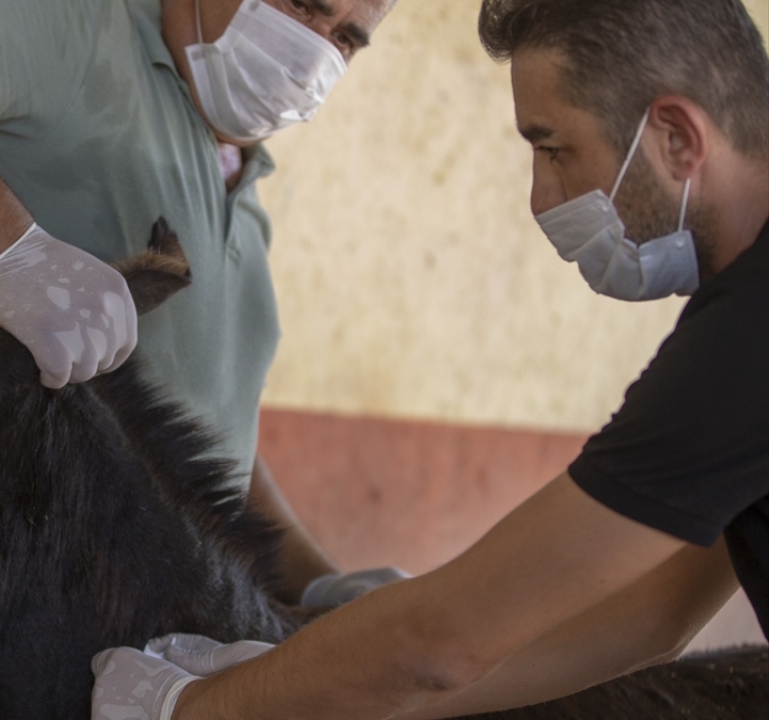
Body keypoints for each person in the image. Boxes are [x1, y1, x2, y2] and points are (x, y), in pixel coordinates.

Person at [91, 0, 769, 718]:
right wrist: (310, 684)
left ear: (677, 137)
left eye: (553, 149)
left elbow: (443, 642)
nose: (542, 198)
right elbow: (650, 615)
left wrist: (195, 709)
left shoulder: (745, 340)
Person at [0, 0, 396, 718]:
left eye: (347, 38)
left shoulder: (246, 198)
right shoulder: (78, 35)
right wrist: (6, 252)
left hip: (63, 676)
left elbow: (198, 437)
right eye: (302, 5)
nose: (313, 46)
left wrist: (319, 586)